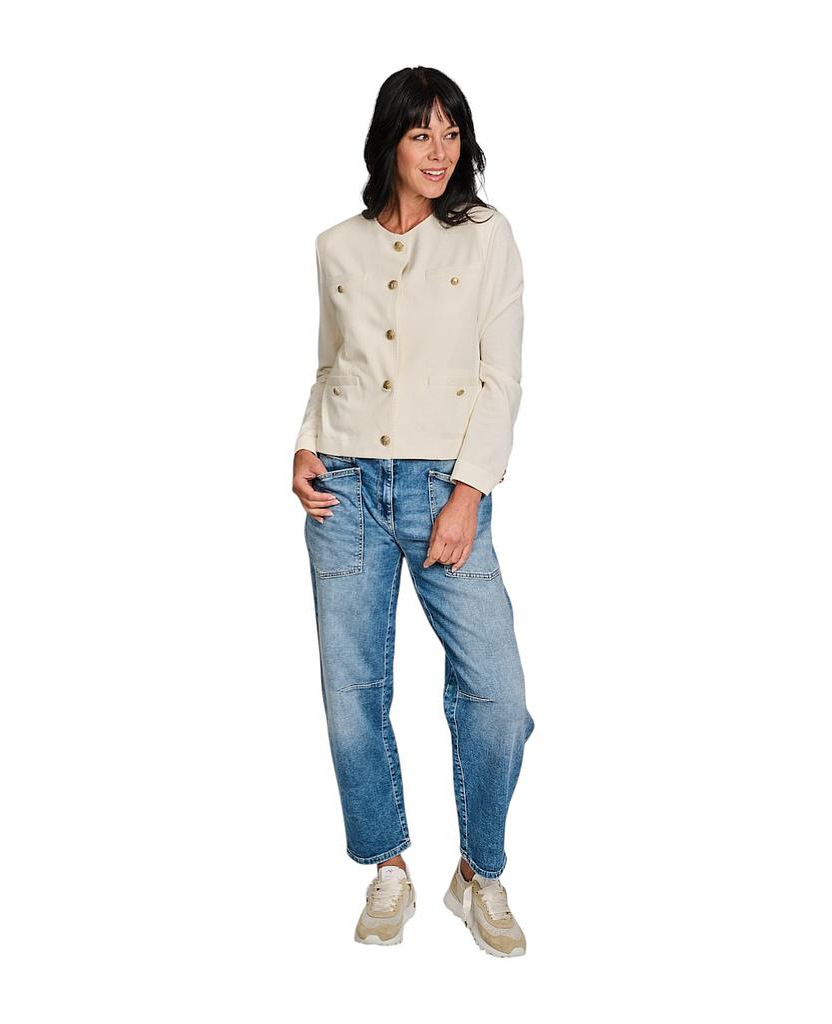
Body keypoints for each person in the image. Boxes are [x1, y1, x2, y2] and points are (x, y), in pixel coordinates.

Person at [291, 67, 535, 957]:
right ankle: (388, 867)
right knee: (352, 695)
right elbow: (331, 367)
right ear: (388, 142)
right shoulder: (337, 247)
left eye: (451, 132)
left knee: (499, 697)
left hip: (444, 488)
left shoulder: (486, 236)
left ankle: (478, 874)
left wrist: (468, 492)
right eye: (421, 133)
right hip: (344, 485)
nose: (440, 151)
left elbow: (502, 379)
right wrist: (304, 443)